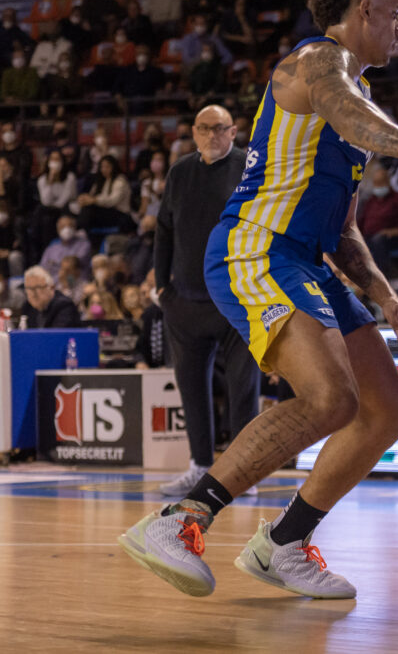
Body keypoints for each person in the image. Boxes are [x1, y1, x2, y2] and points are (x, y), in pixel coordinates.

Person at [118, 0, 398, 600]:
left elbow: (344, 228)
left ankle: (283, 543)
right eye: (394, 16)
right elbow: (341, 104)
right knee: (330, 398)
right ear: (363, 10)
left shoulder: (359, 100)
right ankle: (179, 520)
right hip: (257, 247)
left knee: (388, 410)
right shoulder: (314, 62)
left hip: (308, 258)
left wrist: (385, 295)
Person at [152, 103, 262, 498]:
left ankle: (242, 472)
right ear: (194, 132)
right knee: (191, 386)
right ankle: (199, 466)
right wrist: (163, 286)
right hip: (186, 301)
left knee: (243, 387)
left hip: (236, 298)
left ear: (233, 132)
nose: (212, 135)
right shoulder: (180, 171)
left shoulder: (251, 165)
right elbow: (164, 229)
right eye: (204, 128)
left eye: (220, 129)